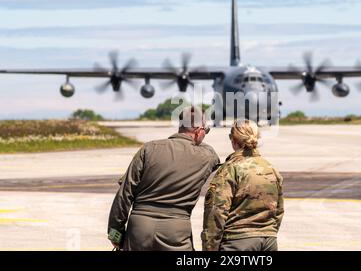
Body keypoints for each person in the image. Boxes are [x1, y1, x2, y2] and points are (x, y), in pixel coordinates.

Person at [107, 106, 220, 251]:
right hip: (176, 230)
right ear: (199, 131)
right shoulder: (207, 156)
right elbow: (213, 155)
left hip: (139, 228)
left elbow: (125, 194)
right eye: (206, 131)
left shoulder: (149, 148)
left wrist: (115, 232)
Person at [202, 120, 284, 251]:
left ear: (233, 140)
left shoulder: (230, 170)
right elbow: (278, 211)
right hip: (269, 241)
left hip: (237, 241)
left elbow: (216, 212)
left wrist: (209, 248)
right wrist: (268, 232)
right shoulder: (271, 169)